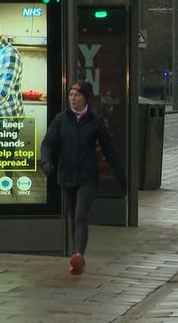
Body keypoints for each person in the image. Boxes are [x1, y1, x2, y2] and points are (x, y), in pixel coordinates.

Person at [40, 82, 123, 275]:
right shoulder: (61, 119)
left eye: (76, 95)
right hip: (66, 175)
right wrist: (46, 162)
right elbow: (48, 143)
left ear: (86, 98)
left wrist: (120, 174)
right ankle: (75, 257)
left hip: (87, 176)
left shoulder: (95, 121)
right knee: (72, 216)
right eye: (70, 95)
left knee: (80, 215)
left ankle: (78, 255)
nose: (72, 98)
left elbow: (109, 150)